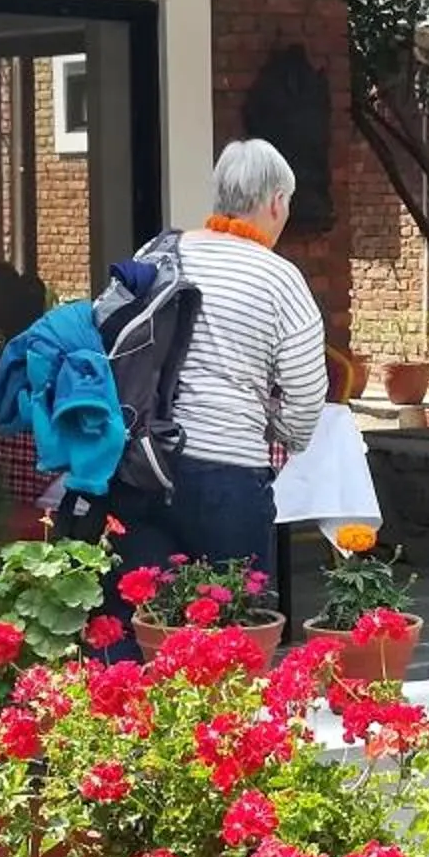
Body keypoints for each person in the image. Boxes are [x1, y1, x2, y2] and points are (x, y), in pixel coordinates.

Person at [105, 139, 327, 580]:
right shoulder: (279, 278)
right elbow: (305, 397)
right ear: (278, 202)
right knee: (233, 623)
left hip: (141, 464)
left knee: (146, 617)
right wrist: (279, 430)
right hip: (227, 475)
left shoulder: (158, 251)